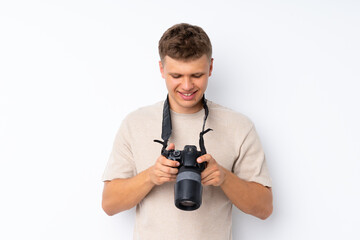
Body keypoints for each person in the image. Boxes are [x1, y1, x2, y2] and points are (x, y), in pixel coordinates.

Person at [102, 23, 273, 240]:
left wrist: (224, 178)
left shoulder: (239, 126)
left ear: (210, 68)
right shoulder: (135, 123)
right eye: (176, 76)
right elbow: (109, 204)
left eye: (196, 75)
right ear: (161, 69)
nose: (186, 86)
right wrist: (151, 176)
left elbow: (264, 209)